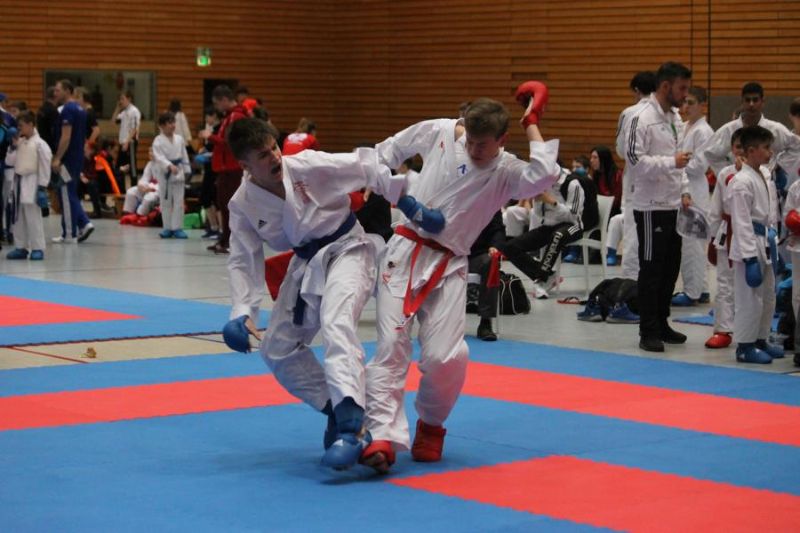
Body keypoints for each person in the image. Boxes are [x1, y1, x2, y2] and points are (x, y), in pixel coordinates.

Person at [362, 87, 560, 474]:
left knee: (445, 356)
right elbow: (386, 151)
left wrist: (532, 122)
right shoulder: (438, 130)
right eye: (469, 140)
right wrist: (387, 187)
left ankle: (431, 424)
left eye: (483, 144)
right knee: (390, 345)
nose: (473, 149)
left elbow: (544, 176)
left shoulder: (506, 172)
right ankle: (381, 434)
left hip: (450, 263)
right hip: (404, 252)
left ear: (502, 140)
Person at [221, 117, 403, 470]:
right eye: (263, 155)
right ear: (245, 165)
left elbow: (365, 164)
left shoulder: (307, 165)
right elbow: (243, 257)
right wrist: (241, 311)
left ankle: (352, 427)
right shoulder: (243, 204)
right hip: (306, 262)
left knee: (337, 322)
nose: (275, 157)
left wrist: (405, 201)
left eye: (274, 147)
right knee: (276, 348)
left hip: (349, 248)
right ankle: (336, 409)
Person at [624, 62, 693, 353]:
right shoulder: (640, 116)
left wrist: (685, 189)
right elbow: (633, 161)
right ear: (666, 86)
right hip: (651, 206)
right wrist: (670, 163)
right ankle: (648, 329)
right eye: (682, 88)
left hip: (673, 203)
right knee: (651, 269)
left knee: (670, 269)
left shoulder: (675, 117)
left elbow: (681, 159)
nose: (685, 94)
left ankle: (662, 322)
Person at [729, 125, 784, 364]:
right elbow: (741, 222)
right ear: (751, 150)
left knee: (768, 296)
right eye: (766, 148)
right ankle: (744, 346)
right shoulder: (741, 181)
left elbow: (771, 213)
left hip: (767, 241)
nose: (770, 152)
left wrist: (775, 242)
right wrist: (749, 256)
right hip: (750, 243)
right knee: (749, 299)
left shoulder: (763, 174)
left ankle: (761, 339)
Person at [500, 166, 598, 299]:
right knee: (510, 247)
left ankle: (541, 280)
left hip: (573, 226)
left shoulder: (572, 184)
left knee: (557, 236)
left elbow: (573, 215)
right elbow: (539, 215)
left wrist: (552, 202)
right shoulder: (543, 184)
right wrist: (537, 201)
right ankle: (548, 276)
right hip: (549, 226)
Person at [672, 86, 715, 306]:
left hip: (695, 192)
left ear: (702, 105)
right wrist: (678, 159)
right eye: (685, 102)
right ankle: (702, 289)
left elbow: (699, 166)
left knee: (693, 245)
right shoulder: (685, 126)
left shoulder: (704, 131)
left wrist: (677, 162)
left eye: (691, 103)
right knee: (691, 244)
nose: (686, 107)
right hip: (684, 188)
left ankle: (692, 292)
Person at [615, 71, 657, 280]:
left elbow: (622, 151)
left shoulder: (630, 113)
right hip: (662, 185)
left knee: (633, 233)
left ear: (637, 90)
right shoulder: (668, 113)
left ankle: (630, 284)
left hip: (636, 183)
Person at [705, 128, 745, 349]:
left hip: (754, 234)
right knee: (724, 284)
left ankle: (755, 333)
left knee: (754, 287)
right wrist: (712, 239)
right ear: (731, 149)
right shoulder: (724, 174)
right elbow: (715, 210)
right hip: (727, 233)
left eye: (745, 148)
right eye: (737, 147)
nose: (741, 152)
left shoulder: (764, 174)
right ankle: (723, 329)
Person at [199, 85, 248, 254]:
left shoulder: (236, 116)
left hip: (232, 168)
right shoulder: (229, 116)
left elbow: (230, 142)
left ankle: (229, 241)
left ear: (225, 100)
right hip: (225, 168)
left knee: (230, 206)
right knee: (223, 205)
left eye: (217, 103)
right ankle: (225, 238)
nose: (217, 108)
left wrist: (210, 137)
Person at [51, 79, 94, 244]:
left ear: (68, 91)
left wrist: (57, 158)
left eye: (58, 90)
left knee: (66, 193)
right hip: (77, 157)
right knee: (70, 192)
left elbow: (66, 137)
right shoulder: (80, 109)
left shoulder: (68, 110)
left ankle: (69, 234)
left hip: (68, 159)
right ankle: (83, 223)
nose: (55, 93)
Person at [5, 110, 51, 260]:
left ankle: (37, 248)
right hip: (18, 182)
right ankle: (21, 247)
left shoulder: (40, 144)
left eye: (21, 125)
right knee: (18, 218)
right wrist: (12, 146)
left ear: (31, 124)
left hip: (33, 182)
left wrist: (42, 187)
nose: (19, 129)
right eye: (18, 126)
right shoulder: (19, 142)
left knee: (33, 218)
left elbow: (45, 166)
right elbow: (9, 162)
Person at [151, 112, 191, 239]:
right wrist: (168, 165)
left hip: (178, 171)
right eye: (169, 123)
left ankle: (177, 228)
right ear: (162, 126)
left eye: (174, 122)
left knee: (179, 201)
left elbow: (184, 155)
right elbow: (158, 157)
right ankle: (167, 228)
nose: (173, 125)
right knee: (165, 201)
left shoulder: (179, 139)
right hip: (165, 174)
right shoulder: (158, 140)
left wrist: (187, 170)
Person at [468, 211, 506, 341]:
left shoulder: (491, 202)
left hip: (478, 254)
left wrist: (495, 246)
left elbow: (498, 230)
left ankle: (485, 322)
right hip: (452, 252)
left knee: (490, 263)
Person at [198, 107, 222, 239]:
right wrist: (204, 150)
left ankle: (222, 229)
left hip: (216, 169)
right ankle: (213, 227)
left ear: (214, 116)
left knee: (216, 199)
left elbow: (221, 147)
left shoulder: (220, 129)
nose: (206, 119)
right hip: (209, 167)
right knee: (205, 198)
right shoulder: (212, 130)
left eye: (207, 116)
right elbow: (211, 146)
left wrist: (210, 153)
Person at [121, 150, 159, 221]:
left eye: (152, 151)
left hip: (160, 191)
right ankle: (128, 213)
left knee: (149, 198)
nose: (150, 153)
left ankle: (139, 216)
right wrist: (141, 185)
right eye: (149, 151)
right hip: (148, 188)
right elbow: (145, 178)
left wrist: (151, 188)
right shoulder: (150, 164)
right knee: (131, 192)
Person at [114, 90, 141, 183]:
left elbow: (134, 129)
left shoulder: (134, 111)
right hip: (122, 143)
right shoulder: (124, 112)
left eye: (122, 99)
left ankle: (134, 187)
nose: (121, 101)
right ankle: (121, 189)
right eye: (120, 99)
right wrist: (117, 108)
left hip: (130, 142)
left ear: (129, 99)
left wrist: (127, 142)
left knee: (132, 167)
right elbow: (113, 120)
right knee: (119, 167)